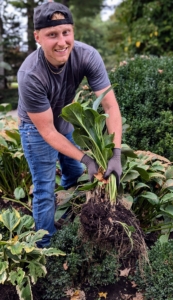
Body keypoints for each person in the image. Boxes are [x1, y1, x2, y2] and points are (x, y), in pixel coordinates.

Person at [17, 1, 122, 248]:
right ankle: (45, 248)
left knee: (75, 176)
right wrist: (87, 158)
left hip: (65, 119)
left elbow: (110, 107)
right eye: (52, 35)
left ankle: (72, 226)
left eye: (66, 32)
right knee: (44, 189)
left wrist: (115, 154)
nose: (62, 41)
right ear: (38, 37)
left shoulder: (87, 56)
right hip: (36, 129)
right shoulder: (30, 74)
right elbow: (47, 131)